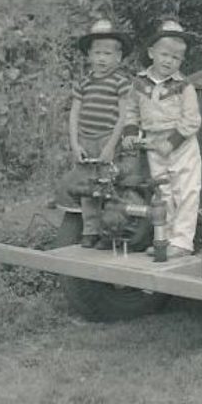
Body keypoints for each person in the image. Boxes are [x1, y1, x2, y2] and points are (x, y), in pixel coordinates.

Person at [122, 20, 202, 262]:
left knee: (186, 190)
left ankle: (182, 242)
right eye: (165, 55)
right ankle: (163, 238)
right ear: (151, 53)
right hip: (153, 144)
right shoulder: (139, 83)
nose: (169, 61)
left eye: (176, 58)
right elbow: (131, 112)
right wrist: (129, 134)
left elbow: (192, 120)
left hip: (181, 144)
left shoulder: (183, 86)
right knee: (162, 191)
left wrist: (173, 142)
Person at [69, 19, 133, 248]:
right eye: (97, 53)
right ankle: (90, 230)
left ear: (118, 58)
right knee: (88, 188)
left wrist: (110, 147)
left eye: (108, 54)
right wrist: (75, 144)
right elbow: (74, 114)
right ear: (89, 55)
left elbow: (124, 117)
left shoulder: (121, 83)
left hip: (108, 138)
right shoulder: (83, 83)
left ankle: (109, 233)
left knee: (108, 187)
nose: (102, 59)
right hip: (86, 139)